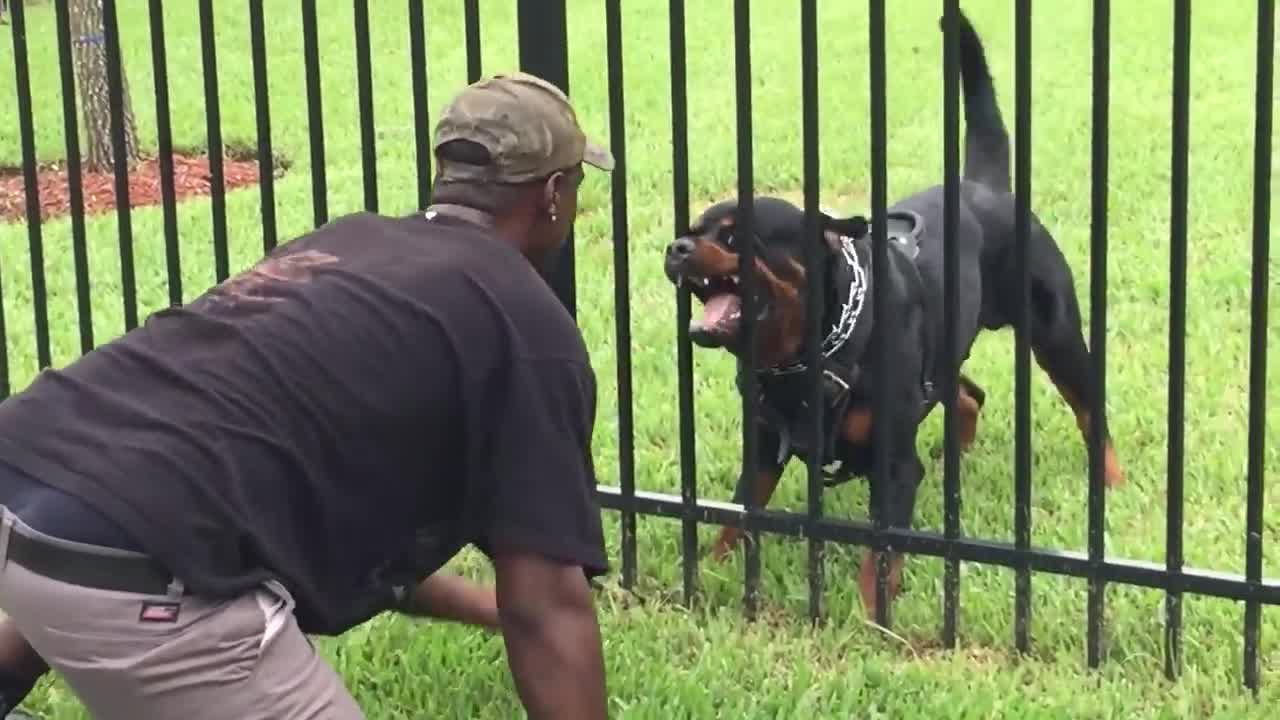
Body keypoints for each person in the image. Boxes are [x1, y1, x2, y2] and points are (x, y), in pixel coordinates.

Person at [0, 70, 614, 720]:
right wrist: (519, 613)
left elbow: (328, 517)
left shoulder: (348, 242)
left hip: (27, 470)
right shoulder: (525, 324)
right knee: (112, 562)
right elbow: (544, 609)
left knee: (83, 559)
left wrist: (483, 609)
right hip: (135, 556)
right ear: (552, 194)